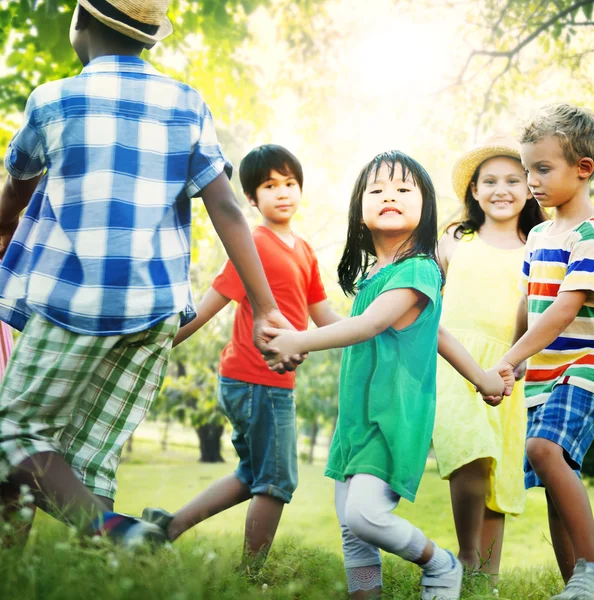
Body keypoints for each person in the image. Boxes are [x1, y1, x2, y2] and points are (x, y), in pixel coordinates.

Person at [0, 1, 295, 546]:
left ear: (79, 25)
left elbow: (13, 194)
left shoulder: (53, 100)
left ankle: (121, 537)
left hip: (75, 303)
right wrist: (268, 308)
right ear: (149, 38)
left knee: (12, 435)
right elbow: (227, 208)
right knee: (90, 457)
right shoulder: (186, 104)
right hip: (153, 309)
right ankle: (99, 574)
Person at [264, 150, 511, 600]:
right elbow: (435, 333)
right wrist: (483, 377)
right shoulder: (376, 275)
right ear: (360, 212)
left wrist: (297, 341)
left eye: (402, 189)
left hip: (393, 417)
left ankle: (441, 564)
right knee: (352, 530)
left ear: (426, 209)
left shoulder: (420, 269)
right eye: (376, 190)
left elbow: (369, 325)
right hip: (357, 418)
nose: (389, 196)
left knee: (365, 516)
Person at [143, 144, 340, 567]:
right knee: (276, 480)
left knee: (252, 475)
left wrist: (375, 330)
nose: (283, 192)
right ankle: (250, 577)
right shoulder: (252, 244)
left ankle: (166, 528)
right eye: (270, 185)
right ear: (251, 198)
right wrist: (157, 346)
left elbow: (323, 315)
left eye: (290, 183)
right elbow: (210, 304)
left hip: (274, 382)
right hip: (254, 379)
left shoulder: (304, 251)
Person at [432, 135, 547, 581]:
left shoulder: (537, 245)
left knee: (498, 474)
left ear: (529, 187)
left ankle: (487, 579)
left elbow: (540, 310)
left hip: (513, 367)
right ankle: (465, 555)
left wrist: (520, 362)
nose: (502, 189)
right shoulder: (455, 241)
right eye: (490, 181)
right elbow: (425, 300)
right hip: (457, 363)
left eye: (514, 180)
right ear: (474, 191)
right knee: (472, 453)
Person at [492, 104, 594, 600]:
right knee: (558, 484)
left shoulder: (590, 233)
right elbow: (529, 304)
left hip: (581, 368)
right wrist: (516, 359)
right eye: (527, 168)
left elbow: (561, 311)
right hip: (542, 373)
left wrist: (508, 360)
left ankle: (592, 570)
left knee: (542, 449)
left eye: (543, 168)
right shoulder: (537, 235)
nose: (531, 180)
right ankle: (574, 586)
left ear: (584, 168)